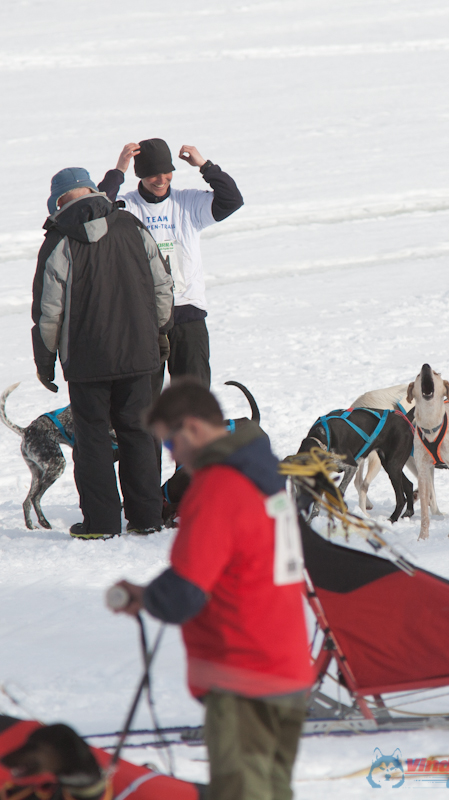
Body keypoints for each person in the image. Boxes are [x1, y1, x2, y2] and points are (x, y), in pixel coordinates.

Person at [111, 379, 312, 800]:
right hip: (286, 665)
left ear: (193, 430)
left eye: (170, 445)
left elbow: (186, 589)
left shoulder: (219, 487)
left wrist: (144, 598)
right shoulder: (266, 477)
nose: (173, 457)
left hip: (243, 675)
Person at [32, 167, 174, 539]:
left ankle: (101, 522)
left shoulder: (59, 241)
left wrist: (45, 361)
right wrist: (158, 332)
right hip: (139, 354)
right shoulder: (132, 226)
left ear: (59, 201)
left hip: (86, 361)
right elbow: (163, 286)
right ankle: (146, 518)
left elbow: (50, 312)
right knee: (138, 434)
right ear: (94, 191)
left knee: (92, 439)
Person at [99, 139, 244, 393]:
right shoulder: (126, 206)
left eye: (166, 172)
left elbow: (232, 200)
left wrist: (205, 166)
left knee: (194, 400)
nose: (160, 179)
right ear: (140, 174)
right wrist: (118, 171)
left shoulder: (189, 203)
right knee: (143, 403)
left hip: (187, 314)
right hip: (144, 318)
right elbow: (96, 211)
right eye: (152, 174)